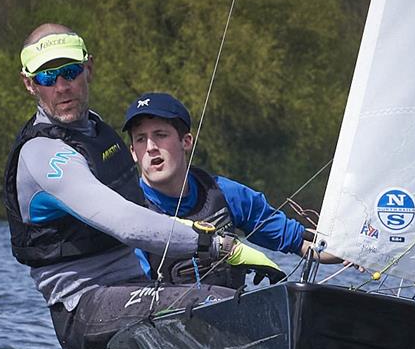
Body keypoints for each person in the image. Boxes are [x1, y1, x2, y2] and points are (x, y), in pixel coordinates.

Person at [3, 24, 271, 349]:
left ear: (89, 68)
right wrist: (220, 246)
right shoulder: (44, 155)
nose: (62, 86)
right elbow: (126, 223)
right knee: (218, 306)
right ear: (29, 84)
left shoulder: (97, 132)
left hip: (134, 290)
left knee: (234, 295)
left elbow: (147, 210)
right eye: (47, 77)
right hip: (84, 310)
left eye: (70, 72)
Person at [122, 92, 344, 287]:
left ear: (186, 141)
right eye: (141, 139)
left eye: (161, 135)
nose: (151, 147)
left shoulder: (224, 193)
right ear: (133, 152)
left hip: (229, 318)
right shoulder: (126, 210)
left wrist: (357, 250)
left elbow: (302, 242)